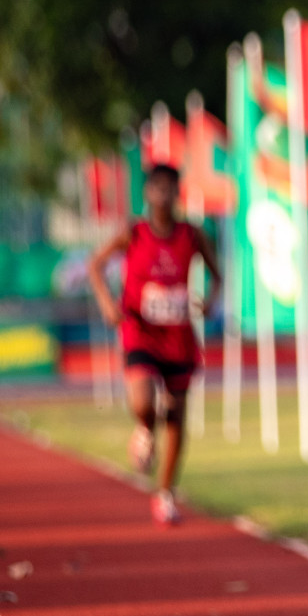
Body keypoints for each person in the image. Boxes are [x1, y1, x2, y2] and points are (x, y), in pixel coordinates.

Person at [87, 163, 223, 527]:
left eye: (169, 187)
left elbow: (217, 275)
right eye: (156, 187)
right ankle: (145, 428)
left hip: (178, 335)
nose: (163, 194)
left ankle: (165, 494)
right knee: (144, 400)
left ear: (178, 192)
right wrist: (106, 302)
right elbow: (95, 266)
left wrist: (209, 301)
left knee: (177, 416)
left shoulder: (191, 235)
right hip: (140, 329)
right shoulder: (133, 232)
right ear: (147, 192)